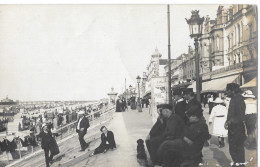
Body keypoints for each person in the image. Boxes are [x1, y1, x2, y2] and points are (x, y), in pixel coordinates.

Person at [224, 83, 246, 167]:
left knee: (236, 149)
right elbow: (233, 114)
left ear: (232, 90)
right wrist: (227, 121)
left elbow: (240, 116)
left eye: (227, 90)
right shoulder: (234, 98)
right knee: (234, 149)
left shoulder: (238, 99)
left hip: (237, 129)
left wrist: (230, 122)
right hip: (234, 128)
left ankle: (239, 164)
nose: (226, 92)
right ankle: (237, 163)